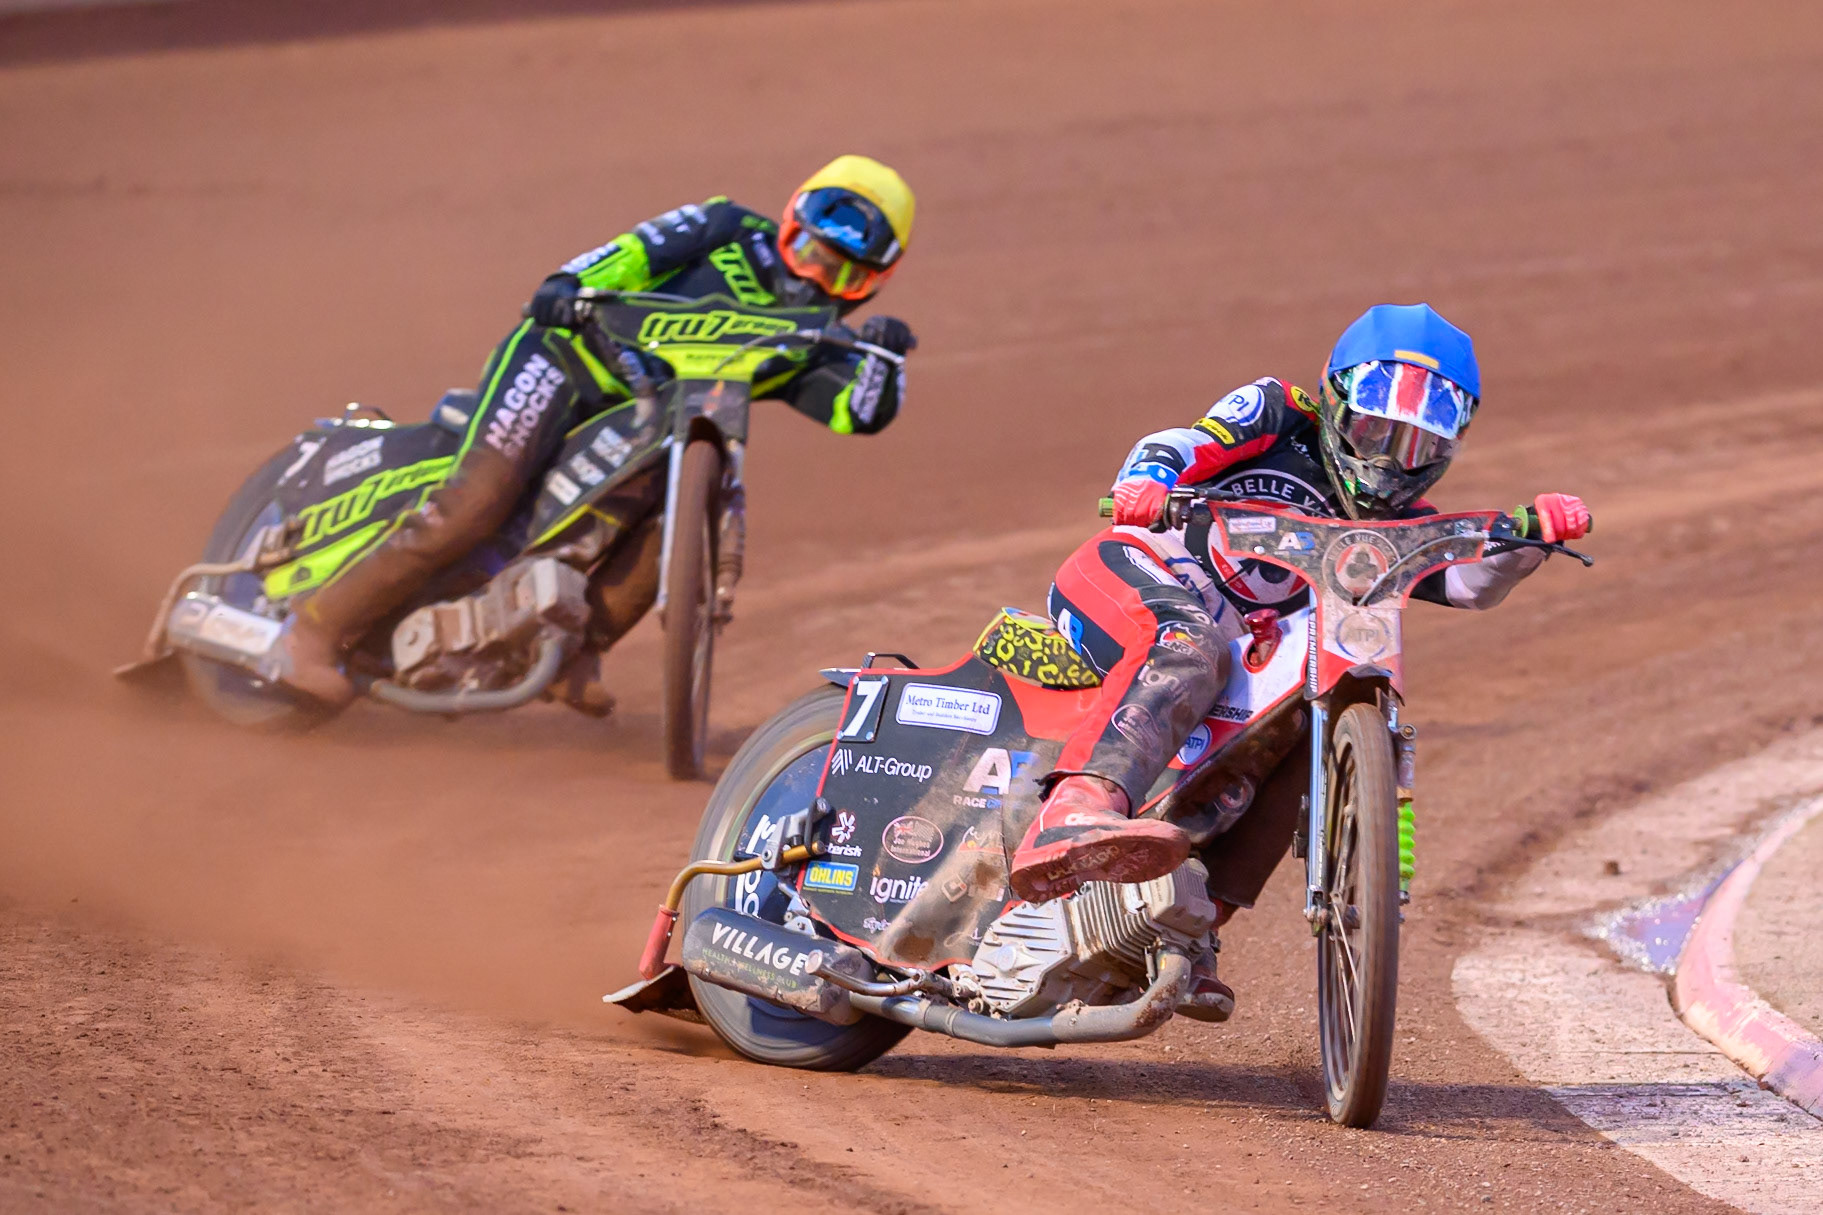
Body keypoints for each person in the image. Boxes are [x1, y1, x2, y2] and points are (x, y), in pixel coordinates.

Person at [1008, 303, 1591, 920]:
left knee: (1309, 708)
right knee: (1188, 642)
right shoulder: (1280, 412)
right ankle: (1074, 806)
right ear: (1334, 399)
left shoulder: (1389, 529)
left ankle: (1194, 920)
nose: (1390, 461)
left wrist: (1528, 543)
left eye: (1417, 446)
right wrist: (1153, 477)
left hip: (1228, 653)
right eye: (1376, 432)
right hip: (1134, 570)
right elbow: (1188, 441)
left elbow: (1468, 583)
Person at [270, 155, 919, 706]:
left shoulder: (817, 341)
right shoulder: (726, 227)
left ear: (874, 285)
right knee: (478, 501)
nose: (814, 277)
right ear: (787, 223)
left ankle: (579, 648)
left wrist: (883, 361)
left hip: (651, 423)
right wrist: (570, 284)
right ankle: (313, 631)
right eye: (808, 251)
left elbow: (856, 411)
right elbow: (631, 253)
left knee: (679, 514)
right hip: (563, 357)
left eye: (841, 273)